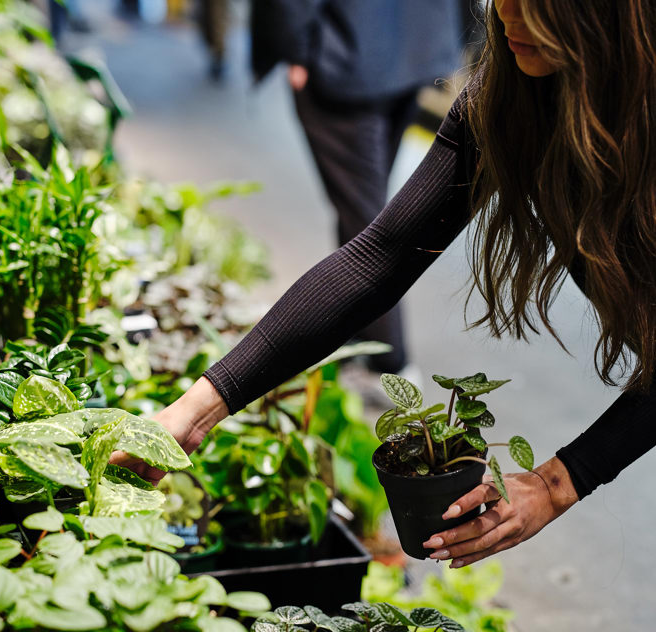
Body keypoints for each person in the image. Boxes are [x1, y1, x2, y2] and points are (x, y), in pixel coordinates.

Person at [116, 0, 656, 569]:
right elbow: (380, 256)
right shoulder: (512, 94)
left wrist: (557, 484)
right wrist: (194, 412)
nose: (506, 13)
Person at [250, 0, 462, 374]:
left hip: (345, 53)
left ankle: (389, 363)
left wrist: (294, 46)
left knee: (365, 215)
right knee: (364, 203)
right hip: (414, 44)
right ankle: (357, 329)